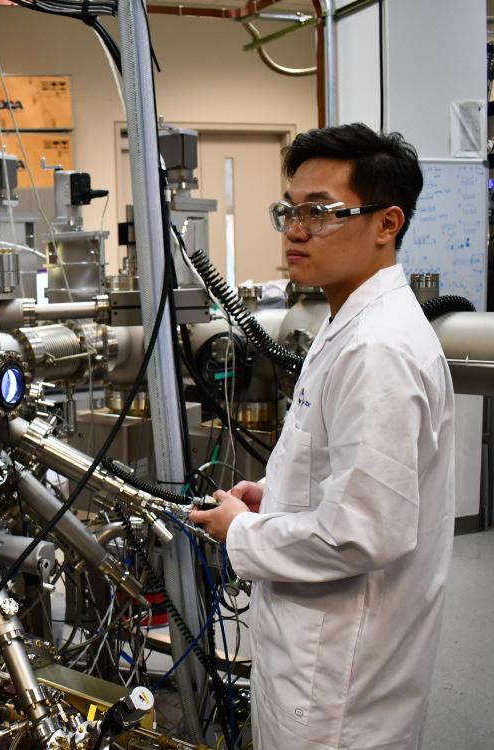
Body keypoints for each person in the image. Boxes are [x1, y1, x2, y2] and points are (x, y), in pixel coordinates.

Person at [190, 123, 455, 750]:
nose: (296, 228)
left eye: (321, 211)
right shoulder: (348, 321)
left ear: (387, 223)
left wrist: (242, 531)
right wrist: (277, 496)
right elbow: (341, 473)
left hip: (339, 677)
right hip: (316, 650)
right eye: (289, 209)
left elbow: (363, 531)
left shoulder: (378, 348)